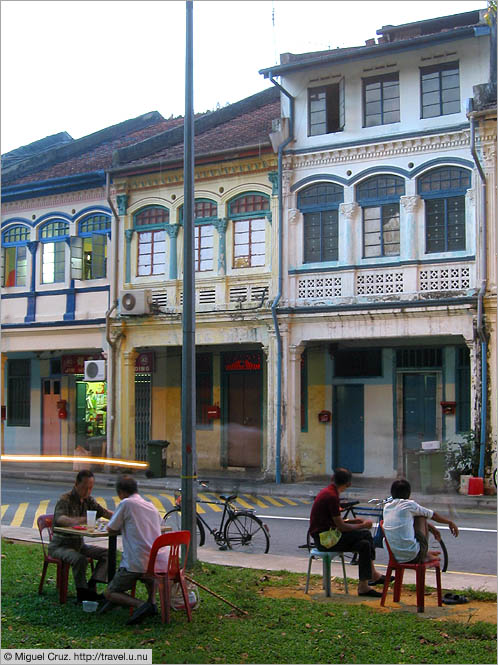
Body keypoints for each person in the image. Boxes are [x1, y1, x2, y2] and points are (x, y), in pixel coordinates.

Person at [99, 475, 168, 625]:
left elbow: (111, 528)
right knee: (148, 576)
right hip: (156, 562)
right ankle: (152, 602)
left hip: (136, 562)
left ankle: (142, 605)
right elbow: (160, 524)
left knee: (110, 592)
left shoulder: (126, 503)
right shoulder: (150, 506)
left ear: (121, 493)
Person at [309, 467, 387, 597]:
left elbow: (336, 521)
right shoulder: (331, 496)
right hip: (325, 539)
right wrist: (362, 525)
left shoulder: (328, 492)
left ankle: (364, 585)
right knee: (366, 534)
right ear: (349, 484)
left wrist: (353, 521)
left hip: (328, 535)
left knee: (364, 545)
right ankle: (371, 576)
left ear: (332, 479)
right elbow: (341, 526)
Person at [49, 469, 113, 602]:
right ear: (76, 484)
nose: (87, 491)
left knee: (109, 554)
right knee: (80, 559)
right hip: (60, 546)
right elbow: (60, 519)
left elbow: (104, 512)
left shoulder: (89, 500)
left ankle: (92, 584)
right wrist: (81, 520)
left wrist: (123, 517)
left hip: (79, 544)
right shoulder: (65, 499)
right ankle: (82, 593)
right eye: (84, 487)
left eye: (90, 488)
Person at [382, 478, 459, 563]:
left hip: (394, 555)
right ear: (409, 494)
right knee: (421, 517)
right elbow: (432, 515)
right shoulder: (409, 505)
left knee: (415, 516)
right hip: (411, 557)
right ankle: (423, 554)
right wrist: (450, 522)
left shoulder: (387, 507)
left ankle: (421, 552)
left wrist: (432, 528)